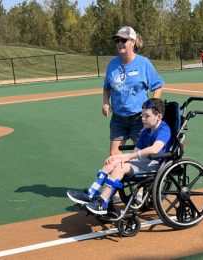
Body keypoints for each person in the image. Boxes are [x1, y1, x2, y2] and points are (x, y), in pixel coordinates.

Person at [67, 98, 172, 215]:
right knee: (111, 162)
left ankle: (102, 202)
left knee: (120, 168)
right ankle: (91, 193)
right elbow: (135, 152)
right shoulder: (146, 131)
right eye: (142, 115)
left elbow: (154, 149)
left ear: (159, 117)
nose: (143, 119)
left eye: (147, 116)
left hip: (155, 164)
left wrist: (129, 158)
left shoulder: (164, 129)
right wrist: (118, 158)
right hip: (144, 162)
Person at [103, 26, 164, 156]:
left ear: (133, 42)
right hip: (118, 118)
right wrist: (105, 102)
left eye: (123, 40)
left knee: (142, 154)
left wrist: (152, 106)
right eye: (117, 40)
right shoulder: (112, 64)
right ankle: (119, 176)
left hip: (139, 118)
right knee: (114, 156)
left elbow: (158, 85)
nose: (119, 43)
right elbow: (107, 87)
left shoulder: (143, 63)